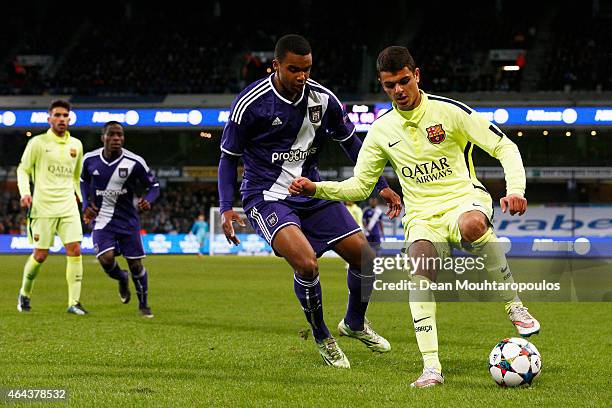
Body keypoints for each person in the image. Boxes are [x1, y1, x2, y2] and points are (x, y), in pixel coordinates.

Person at [289, 46, 540, 386]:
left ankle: (514, 306)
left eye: (404, 81)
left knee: (472, 225)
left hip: (463, 200)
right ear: (383, 85)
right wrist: (316, 189)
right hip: (421, 216)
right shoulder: (380, 131)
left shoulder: (448, 112)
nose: (399, 91)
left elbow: (504, 147)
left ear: (416, 75)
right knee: (420, 272)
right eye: (390, 85)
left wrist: (516, 191)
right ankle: (431, 369)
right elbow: (361, 186)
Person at [218, 34, 402, 368]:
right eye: (293, 69)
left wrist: (380, 185)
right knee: (306, 263)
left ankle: (355, 323)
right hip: (267, 196)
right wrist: (226, 206)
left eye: (307, 69)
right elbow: (228, 158)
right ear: (276, 66)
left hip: (311, 190)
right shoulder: (251, 104)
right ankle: (322, 337)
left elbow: (353, 145)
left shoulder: (323, 99)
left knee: (365, 257)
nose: (302, 76)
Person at [80, 121, 159, 318]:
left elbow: (154, 186)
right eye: (112, 135)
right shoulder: (90, 160)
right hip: (102, 219)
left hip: (128, 221)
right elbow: (83, 181)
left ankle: (143, 304)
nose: (116, 139)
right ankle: (121, 278)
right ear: (103, 138)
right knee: (106, 260)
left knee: (136, 265)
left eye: (120, 135)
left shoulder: (135, 162)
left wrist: (148, 200)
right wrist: (85, 205)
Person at [16, 99, 87, 315]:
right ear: (49, 119)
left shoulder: (76, 145)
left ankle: (74, 302)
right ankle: (25, 293)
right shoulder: (37, 143)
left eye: (65, 116)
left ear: (70, 118)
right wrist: (25, 193)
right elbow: (23, 169)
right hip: (43, 207)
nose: (61, 119)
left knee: (75, 250)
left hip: (68, 206)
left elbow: (77, 178)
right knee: (40, 255)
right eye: (57, 115)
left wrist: (81, 199)